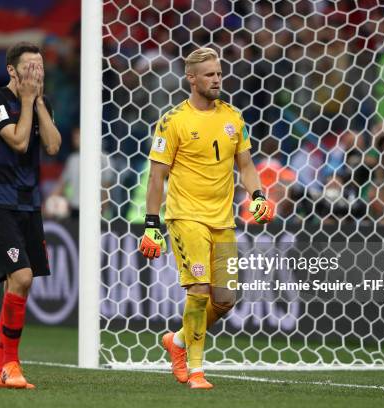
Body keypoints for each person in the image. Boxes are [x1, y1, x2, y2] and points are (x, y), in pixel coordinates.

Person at [138, 48, 274, 389]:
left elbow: (245, 166)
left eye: (219, 73)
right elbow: (157, 177)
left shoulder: (234, 118)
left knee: (225, 300)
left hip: (223, 220)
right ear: (192, 78)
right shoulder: (173, 121)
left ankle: (178, 341)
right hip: (186, 217)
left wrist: (258, 195)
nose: (217, 79)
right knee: (198, 290)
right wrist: (152, 225)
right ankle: (196, 371)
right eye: (210, 74)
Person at [0, 42, 61, 389]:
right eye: (30, 67)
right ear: (12, 70)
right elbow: (19, 141)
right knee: (23, 277)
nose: (36, 74)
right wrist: (27, 101)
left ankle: (3, 371)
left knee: (18, 286)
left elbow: (53, 145)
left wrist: (38, 101)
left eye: (40, 68)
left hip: (30, 205)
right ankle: (9, 365)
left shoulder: (41, 103)